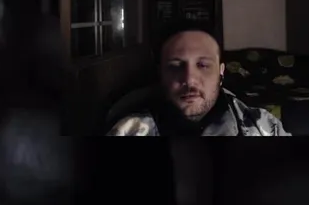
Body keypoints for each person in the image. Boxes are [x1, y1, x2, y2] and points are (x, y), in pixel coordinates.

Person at [107, 23, 291, 137]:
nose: (189, 79)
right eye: (175, 66)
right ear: (161, 73)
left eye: (203, 65)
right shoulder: (128, 131)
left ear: (221, 72)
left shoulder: (264, 127)